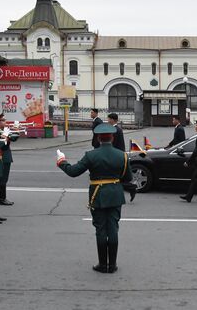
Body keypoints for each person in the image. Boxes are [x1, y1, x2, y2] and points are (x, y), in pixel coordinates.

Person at [56, 123, 133, 273]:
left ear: (98, 138)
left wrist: (62, 161)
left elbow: (73, 172)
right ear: (112, 137)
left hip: (97, 194)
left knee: (101, 229)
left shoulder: (91, 155)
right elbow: (128, 177)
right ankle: (113, 265)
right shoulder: (122, 155)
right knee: (113, 229)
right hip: (115, 194)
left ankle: (103, 265)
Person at [107, 113, 135, 202]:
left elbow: (113, 144)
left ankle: (131, 188)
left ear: (112, 120)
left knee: (114, 178)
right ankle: (130, 188)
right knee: (116, 178)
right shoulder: (116, 129)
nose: (108, 121)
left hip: (116, 156)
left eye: (108, 119)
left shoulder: (115, 130)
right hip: (119, 154)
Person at [0, 114, 16, 206]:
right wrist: (5, 136)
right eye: (3, 120)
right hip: (2, 156)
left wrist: (16, 129)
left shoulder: (5, 130)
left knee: (5, 178)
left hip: (7, 157)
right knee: (2, 179)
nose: (5, 122)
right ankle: (2, 198)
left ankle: (2, 198)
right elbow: (3, 146)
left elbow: (14, 138)